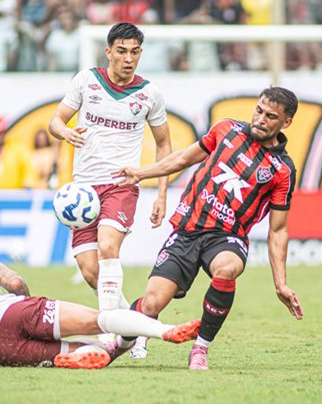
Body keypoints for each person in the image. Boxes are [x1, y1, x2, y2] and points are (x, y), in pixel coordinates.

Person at [112, 87, 305, 370]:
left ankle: (200, 348)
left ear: (286, 122)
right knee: (151, 304)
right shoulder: (226, 130)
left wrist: (281, 283)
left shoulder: (283, 170)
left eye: (270, 116)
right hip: (188, 230)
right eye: (259, 110)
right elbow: (182, 159)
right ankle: (116, 346)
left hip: (227, 238)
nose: (260, 119)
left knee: (228, 268)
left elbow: (278, 230)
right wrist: (140, 173)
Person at [0, 220, 201, 369]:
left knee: (94, 352)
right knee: (101, 320)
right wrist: (25, 303)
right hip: (12, 314)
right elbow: (13, 282)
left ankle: (104, 349)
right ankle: (165, 331)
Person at [48, 22, 172, 358]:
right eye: (122, 51)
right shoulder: (86, 80)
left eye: (135, 52)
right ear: (108, 52)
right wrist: (66, 133)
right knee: (91, 272)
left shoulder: (149, 94)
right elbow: (56, 121)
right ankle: (135, 328)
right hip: (83, 191)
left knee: (107, 247)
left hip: (122, 184)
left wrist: (161, 193)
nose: (128, 58)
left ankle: (108, 333)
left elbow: (164, 145)